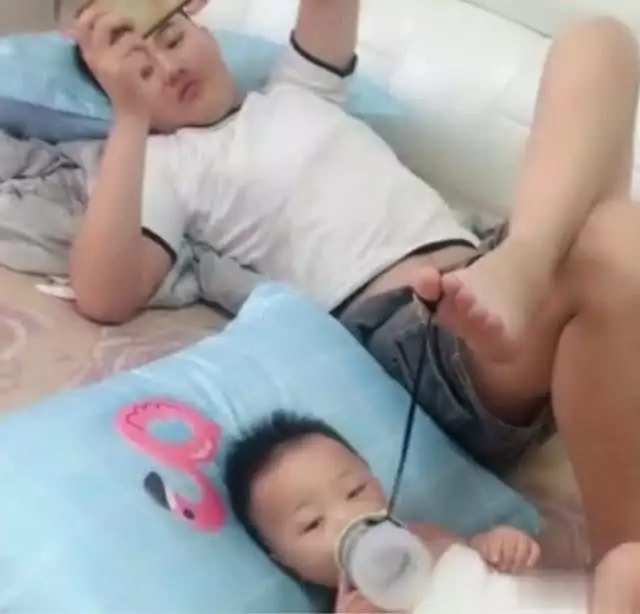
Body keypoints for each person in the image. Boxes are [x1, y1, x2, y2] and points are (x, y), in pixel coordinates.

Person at [69, 0, 640, 595]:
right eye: (141, 72)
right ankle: (622, 565)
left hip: (489, 277)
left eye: (172, 37)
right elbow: (103, 294)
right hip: (416, 329)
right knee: (616, 240)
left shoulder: (298, 89)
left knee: (601, 43)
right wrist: (129, 118)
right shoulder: (167, 163)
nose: (168, 68)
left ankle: (526, 258)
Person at [223, 411, 542, 613]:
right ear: (286, 563)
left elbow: (476, 568)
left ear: (376, 480)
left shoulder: (424, 536)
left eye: (355, 491)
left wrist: (497, 547)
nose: (348, 518)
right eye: (312, 523)